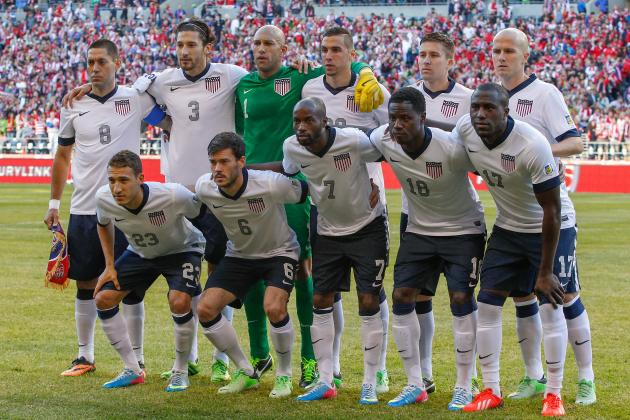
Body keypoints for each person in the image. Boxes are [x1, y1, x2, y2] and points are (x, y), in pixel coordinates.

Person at [234, 24, 384, 387]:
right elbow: (244, 132)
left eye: (269, 42)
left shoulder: (336, 82)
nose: (261, 48)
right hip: (291, 194)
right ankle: (277, 360)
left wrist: (365, 69)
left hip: (349, 200)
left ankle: (353, 366)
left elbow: (384, 133)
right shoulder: (271, 86)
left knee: (351, 286)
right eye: (256, 43)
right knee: (270, 271)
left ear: (284, 47)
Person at [44, 39, 166, 378]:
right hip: (84, 206)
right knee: (85, 282)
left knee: (130, 288)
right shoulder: (73, 104)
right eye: (90, 63)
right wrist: (54, 203)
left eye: (101, 62)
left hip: (127, 210)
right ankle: (84, 356)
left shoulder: (135, 98)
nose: (95, 68)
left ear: (116, 63)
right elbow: (62, 156)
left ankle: (138, 360)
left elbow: (169, 115)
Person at [253, 97, 384, 404]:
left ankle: (369, 380)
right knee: (321, 299)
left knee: (368, 300)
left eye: (308, 120)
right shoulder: (292, 147)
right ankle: (325, 380)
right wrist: (246, 169)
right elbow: (286, 170)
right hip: (326, 230)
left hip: (367, 226)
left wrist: (374, 184)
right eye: (297, 121)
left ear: (324, 122)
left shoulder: (352, 139)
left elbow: (383, 154)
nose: (301, 127)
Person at [492, 28, 594, 405]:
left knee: (564, 296)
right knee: (521, 297)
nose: (501, 57)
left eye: (508, 51)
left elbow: (576, 141)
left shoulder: (545, 93)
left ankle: (586, 378)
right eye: (496, 51)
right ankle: (533, 376)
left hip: (553, 216)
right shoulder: (491, 97)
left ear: (525, 56)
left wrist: (538, 150)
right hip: (512, 219)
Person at [369, 87, 485, 409]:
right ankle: (415, 383)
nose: (398, 125)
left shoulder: (451, 148)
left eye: (406, 118)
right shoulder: (383, 139)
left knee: (461, 298)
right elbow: (352, 154)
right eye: (393, 118)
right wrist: (367, 185)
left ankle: (465, 384)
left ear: (423, 118)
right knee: (402, 296)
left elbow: (489, 167)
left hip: (464, 230)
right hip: (420, 230)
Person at [456, 83, 568, 417]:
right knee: (487, 304)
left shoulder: (532, 144)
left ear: (507, 112)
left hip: (542, 230)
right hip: (506, 228)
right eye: (476, 107)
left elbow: (552, 210)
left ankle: (554, 394)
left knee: (550, 305)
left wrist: (545, 272)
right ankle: (491, 389)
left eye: (489, 108)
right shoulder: (466, 129)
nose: (480, 115)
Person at [300, 26, 391, 394]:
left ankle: (379, 372)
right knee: (326, 293)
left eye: (337, 50)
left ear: (352, 54)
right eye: (324, 49)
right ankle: (330, 370)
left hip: (367, 207)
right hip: (324, 208)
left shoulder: (371, 90)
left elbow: (391, 136)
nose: (329, 55)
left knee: (373, 294)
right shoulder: (310, 90)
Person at [195, 132, 307, 398]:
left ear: (241, 161)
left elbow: (306, 192)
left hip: (280, 252)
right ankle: (246, 371)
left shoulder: (269, 184)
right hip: (240, 256)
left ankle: (283, 375)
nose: (217, 169)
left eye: (224, 162)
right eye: (213, 162)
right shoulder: (204, 187)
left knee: (274, 307)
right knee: (205, 308)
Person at [94, 150, 205, 392]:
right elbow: (102, 225)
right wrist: (109, 266)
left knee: (179, 301)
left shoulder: (173, 194)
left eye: (123, 180)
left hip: (182, 250)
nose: (116, 188)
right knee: (103, 299)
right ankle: (132, 369)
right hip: (141, 252)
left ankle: (180, 371)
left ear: (140, 178)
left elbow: (202, 215)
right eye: (112, 180)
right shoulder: (103, 198)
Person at [406, 31, 479, 396]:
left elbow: (476, 148)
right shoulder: (406, 95)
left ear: (451, 60)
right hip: (414, 212)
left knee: (461, 297)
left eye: (434, 54)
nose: (426, 60)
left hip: (456, 213)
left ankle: (471, 376)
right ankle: (424, 374)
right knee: (418, 296)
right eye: (422, 54)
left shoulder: (468, 99)